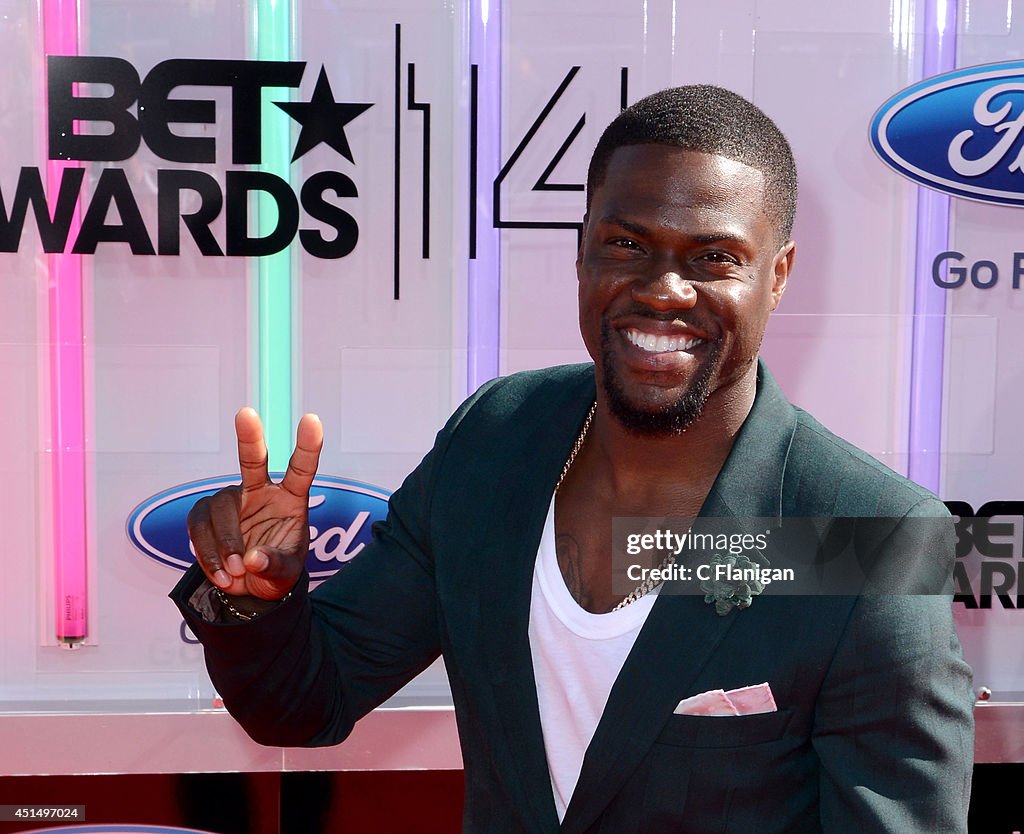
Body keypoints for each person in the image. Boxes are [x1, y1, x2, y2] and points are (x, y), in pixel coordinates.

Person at [172, 85, 974, 833]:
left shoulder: (866, 538)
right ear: (582, 251)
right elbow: (306, 703)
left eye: (713, 258)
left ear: (778, 276)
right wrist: (258, 600)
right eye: (627, 243)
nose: (664, 289)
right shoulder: (496, 442)